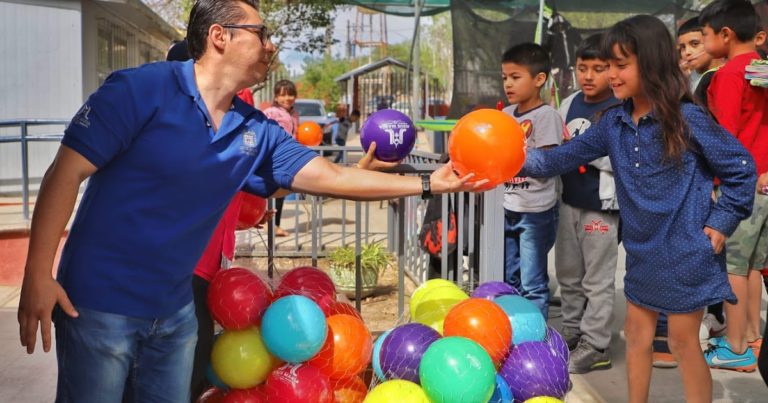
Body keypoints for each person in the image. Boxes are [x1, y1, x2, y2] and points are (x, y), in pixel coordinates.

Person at [15, 1, 482, 402]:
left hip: (174, 315)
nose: (271, 46)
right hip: (99, 305)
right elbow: (65, 173)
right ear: (219, 36)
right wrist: (38, 274)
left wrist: (431, 183)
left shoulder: (254, 129)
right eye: (262, 34)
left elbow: (330, 175)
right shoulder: (140, 90)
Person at [517, 15, 756, 403]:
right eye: (608, 65)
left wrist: (721, 221)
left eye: (620, 64)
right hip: (643, 253)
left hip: (687, 252)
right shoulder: (612, 123)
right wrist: (508, 158)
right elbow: (556, 160)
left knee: (682, 343)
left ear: (652, 62)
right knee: (636, 336)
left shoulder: (687, 118)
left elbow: (741, 168)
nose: (611, 74)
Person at [652, 15, 731, 369]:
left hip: (710, 186)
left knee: (712, 256)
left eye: (696, 44)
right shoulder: (694, 81)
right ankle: (713, 316)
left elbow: (719, 141)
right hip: (699, 185)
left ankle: (712, 319)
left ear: (720, 41)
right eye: (681, 47)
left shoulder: (716, 80)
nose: (687, 52)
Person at [700, 0, 768, 372]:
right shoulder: (762, 68)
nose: (703, 42)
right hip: (764, 181)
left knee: (734, 269)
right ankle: (753, 336)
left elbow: (722, 137)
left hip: (739, 185)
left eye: (705, 35)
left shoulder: (728, 74)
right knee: (754, 266)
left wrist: (715, 183)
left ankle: (737, 347)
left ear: (725, 35)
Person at [554, 33, 621, 374]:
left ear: (613, 70)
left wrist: (582, 151)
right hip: (568, 203)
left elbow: (622, 158)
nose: (589, 76)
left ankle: (596, 344)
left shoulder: (620, 108)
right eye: (583, 68)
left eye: (599, 68)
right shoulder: (568, 104)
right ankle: (571, 331)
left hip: (601, 209)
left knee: (597, 280)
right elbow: (557, 146)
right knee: (568, 273)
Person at [500, 43, 564, 318]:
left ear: (539, 79)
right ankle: (511, 327)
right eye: (505, 77)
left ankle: (536, 335)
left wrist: (510, 157)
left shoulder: (546, 116)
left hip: (535, 212)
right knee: (508, 277)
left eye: (515, 77)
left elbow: (547, 163)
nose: (508, 84)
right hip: (506, 206)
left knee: (532, 282)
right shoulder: (505, 115)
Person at [262, 79, 300, 237]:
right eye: (282, 95)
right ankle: (270, 225)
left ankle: (274, 225)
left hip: (289, 157)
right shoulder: (270, 112)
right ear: (276, 97)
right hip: (273, 157)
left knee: (280, 193)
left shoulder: (295, 114)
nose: (287, 98)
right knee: (271, 192)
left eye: (290, 94)